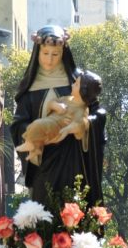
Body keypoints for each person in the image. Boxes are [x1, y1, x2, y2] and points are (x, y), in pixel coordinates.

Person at [11, 25, 107, 207]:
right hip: (43, 163)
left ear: (63, 52)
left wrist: (85, 125)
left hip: (73, 159)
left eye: (55, 55)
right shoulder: (29, 87)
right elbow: (18, 124)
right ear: (37, 52)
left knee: (74, 207)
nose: (49, 60)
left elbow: (98, 113)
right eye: (45, 53)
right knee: (43, 208)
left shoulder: (78, 81)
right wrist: (37, 135)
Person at [16, 69, 103, 167]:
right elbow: (51, 103)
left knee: (37, 125)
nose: (73, 85)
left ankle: (31, 144)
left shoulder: (81, 110)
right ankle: (35, 148)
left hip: (56, 128)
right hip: (50, 121)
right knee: (33, 126)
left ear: (83, 91)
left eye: (77, 84)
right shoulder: (67, 99)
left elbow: (79, 128)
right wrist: (56, 106)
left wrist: (68, 128)